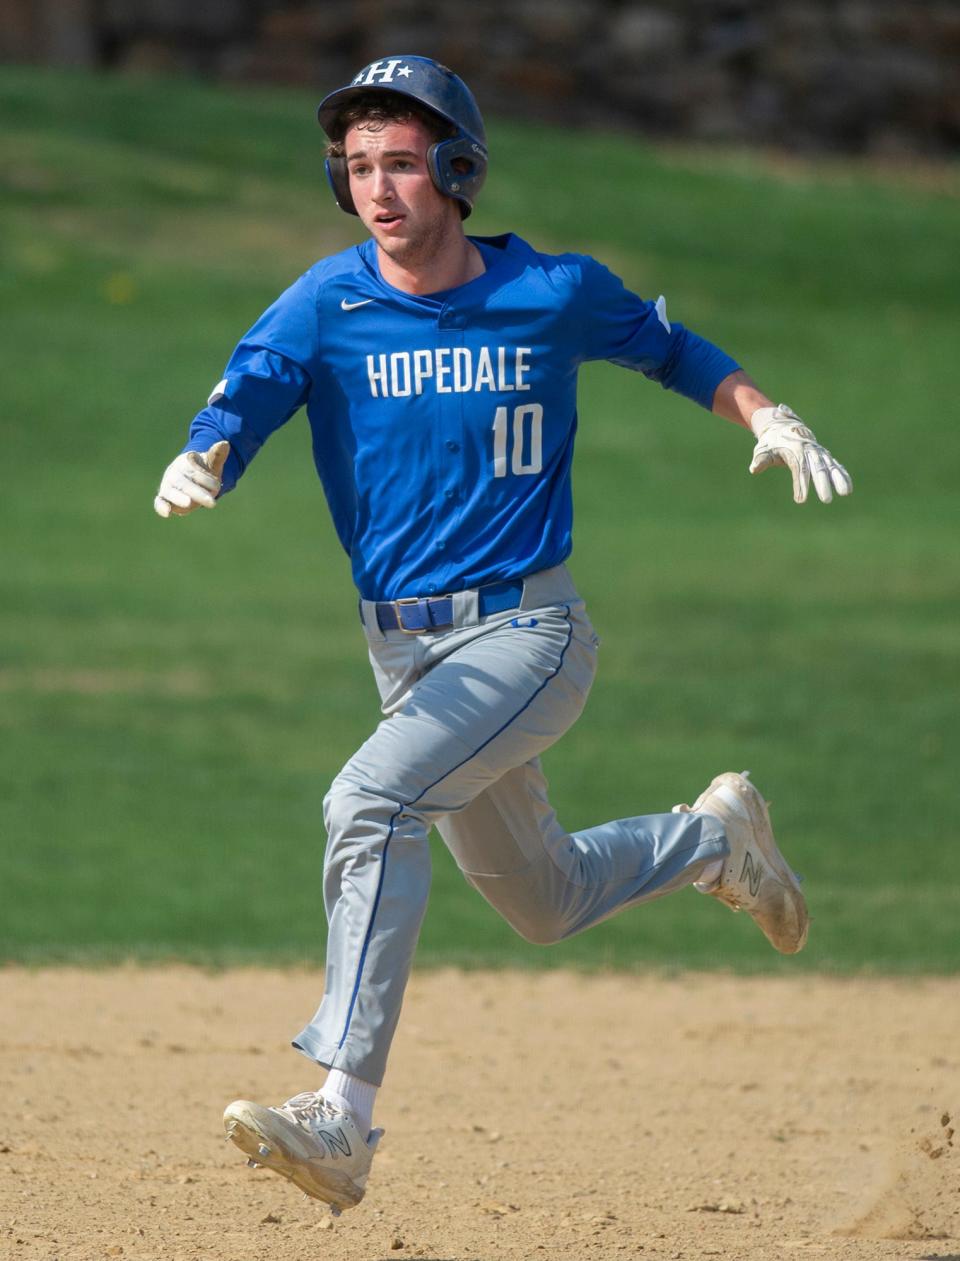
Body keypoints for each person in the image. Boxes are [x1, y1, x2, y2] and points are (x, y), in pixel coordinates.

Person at [153, 56, 852, 1215]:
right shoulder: (327, 302)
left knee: (368, 805)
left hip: (529, 634)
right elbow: (256, 384)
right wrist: (209, 449)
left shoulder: (549, 289)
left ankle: (341, 1114)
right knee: (547, 898)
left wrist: (765, 412)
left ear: (460, 169)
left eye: (402, 161)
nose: (377, 186)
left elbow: (671, 349)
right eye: (358, 164)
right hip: (405, 656)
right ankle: (713, 841)